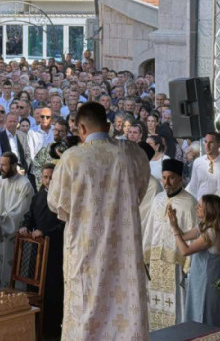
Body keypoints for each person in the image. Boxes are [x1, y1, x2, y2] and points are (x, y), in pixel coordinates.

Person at [47, 101, 150, 340]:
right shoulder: (131, 153)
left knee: (86, 312)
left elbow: (56, 203)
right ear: (107, 125)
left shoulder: (72, 158)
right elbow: (140, 190)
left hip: (86, 250)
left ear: (81, 128)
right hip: (124, 250)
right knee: (125, 310)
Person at [143, 156, 198, 330]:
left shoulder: (190, 203)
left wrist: (189, 265)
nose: (166, 182)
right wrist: (145, 255)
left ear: (180, 178)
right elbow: (150, 228)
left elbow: (193, 236)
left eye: (171, 178)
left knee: (177, 303)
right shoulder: (158, 199)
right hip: (156, 261)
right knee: (155, 303)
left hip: (177, 263)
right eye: (164, 177)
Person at [168, 194, 220, 326]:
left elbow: (185, 250)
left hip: (206, 284)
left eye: (200, 206)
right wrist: (174, 223)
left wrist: (174, 230)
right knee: (196, 314)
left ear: (209, 210)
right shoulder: (205, 227)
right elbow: (183, 237)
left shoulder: (212, 233)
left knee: (204, 318)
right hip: (199, 281)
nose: (196, 207)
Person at [18, 162, 64, 337]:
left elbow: (63, 224)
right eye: (45, 177)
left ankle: (51, 330)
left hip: (54, 251)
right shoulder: (37, 197)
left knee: (52, 289)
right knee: (33, 286)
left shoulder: (62, 198)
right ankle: (34, 327)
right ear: (41, 178)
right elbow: (29, 216)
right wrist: (25, 226)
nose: (48, 180)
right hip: (37, 252)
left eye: (52, 177)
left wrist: (45, 232)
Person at [0, 152, 34, 288]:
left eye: (4, 165)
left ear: (14, 165)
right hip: (0, 235)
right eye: (0, 164)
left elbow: (21, 213)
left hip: (16, 236)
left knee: (14, 271)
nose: (0, 168)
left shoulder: (25, 185)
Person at [185, 132, 220, 200]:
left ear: (219, 145)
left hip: (218, 204)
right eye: (205, 142)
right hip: (200, 203)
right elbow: (193, 186)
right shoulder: (198, 162)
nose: (207, 145)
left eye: (211, 142)